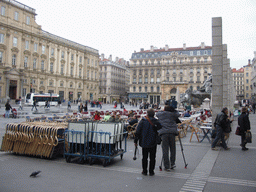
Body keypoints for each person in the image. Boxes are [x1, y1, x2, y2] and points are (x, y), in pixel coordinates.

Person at [134, 108, 162, 176]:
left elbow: (138, 131)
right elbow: (160, 128)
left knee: (144, 157)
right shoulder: (156, 121)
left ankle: (144, 171)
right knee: (152, 157)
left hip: (144, 141)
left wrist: (136, 141)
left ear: (147, 114)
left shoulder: (142, 121)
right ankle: (151, 171)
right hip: (153, 142)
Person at [156, 105, 180, 171]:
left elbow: (157, 113)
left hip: (164, 133)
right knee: (173, 149)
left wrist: (161, 110)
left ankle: (167, 166)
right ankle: (172, 163)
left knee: (165, 149)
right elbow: (178, 114)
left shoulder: (161, 114)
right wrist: (174, 110)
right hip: (172, 132)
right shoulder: (173, 115)